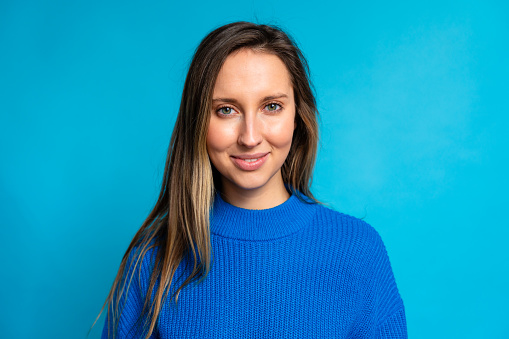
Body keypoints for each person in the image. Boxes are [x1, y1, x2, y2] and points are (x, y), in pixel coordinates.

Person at [98, 21, 407, 338]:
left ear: (297, 116)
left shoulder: (358, 249)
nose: (249, 137)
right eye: (226, 110)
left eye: (271, 106)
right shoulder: (153, 260)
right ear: (198, 122)